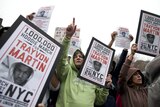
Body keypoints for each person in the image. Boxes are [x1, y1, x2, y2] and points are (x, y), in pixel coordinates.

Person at [56, 18, 112, 107]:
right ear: (72, 60)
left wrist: (105, 88)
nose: (78, 57)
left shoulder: (93, 77)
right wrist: (67, 37)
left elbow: (99, 101)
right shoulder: (67, 72)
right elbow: (62, 58)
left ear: (85, 60)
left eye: (81, 56)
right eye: (75, 56)